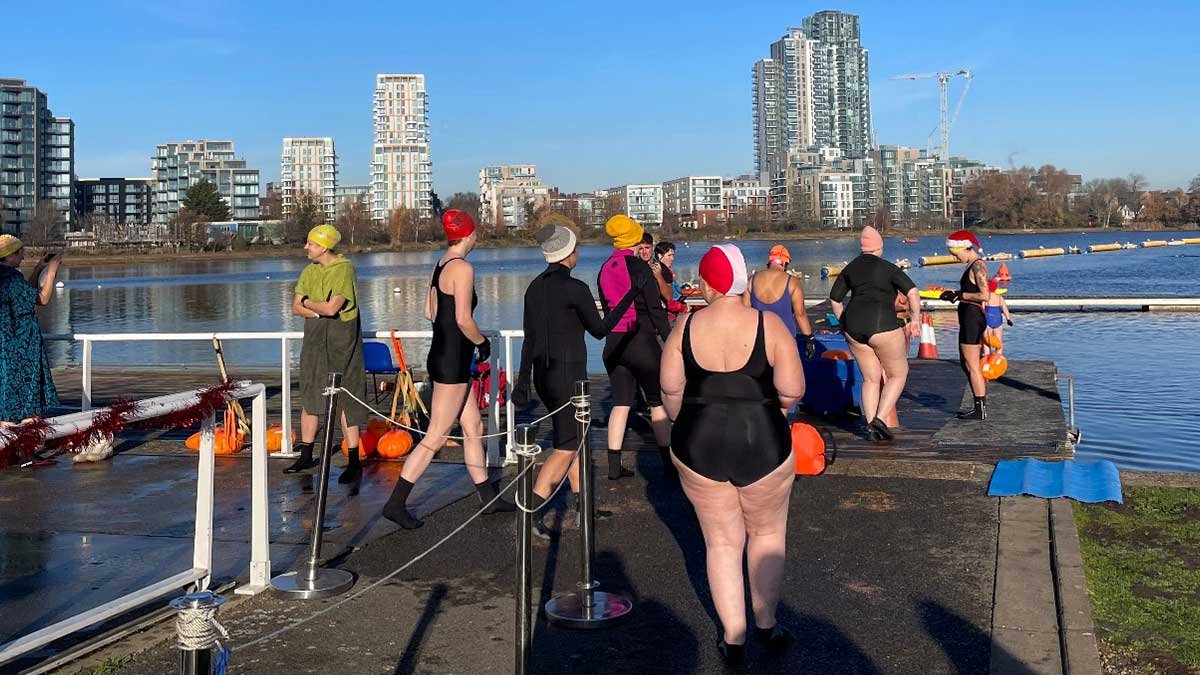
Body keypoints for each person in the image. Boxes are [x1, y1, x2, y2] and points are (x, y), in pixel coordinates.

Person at [660, 243, 805, 666]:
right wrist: (767, 411)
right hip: (761, 437)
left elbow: (670, 391)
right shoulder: (768, 325)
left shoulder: (684, 327)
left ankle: (734, 636)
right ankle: (767, 623)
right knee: (766, 535)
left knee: (721, 542)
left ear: (706, 284)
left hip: (698, 439)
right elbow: (792, 391)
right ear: (743, 282)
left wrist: (683, 418)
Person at [382, 208, 514, 529]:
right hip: (454, 360)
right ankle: (395, 504)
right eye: (476, 232)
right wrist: (482, 343)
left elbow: (429, 311)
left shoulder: (441, 264)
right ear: (470, 235)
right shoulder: (464, 269)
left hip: (443, 353)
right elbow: (463, 319)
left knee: (473, 427)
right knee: (436, 435)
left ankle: (488, 498)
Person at [511, 224, 636, 539]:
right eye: (576, 248)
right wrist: (630, 295)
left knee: (576, 441)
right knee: (566, 448)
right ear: (568, 253)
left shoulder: (534, 288)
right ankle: (530, 511)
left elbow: (529, 339)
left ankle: (584, 509)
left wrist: (522, 382)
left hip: (543, 375)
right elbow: (600, 329)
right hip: (568, 376)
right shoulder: (575, 289)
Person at [284, 225, 370, 489]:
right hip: (314, 338)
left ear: (323, 246)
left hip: (341, 340)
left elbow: (334, 308)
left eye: (310, 243)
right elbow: (295, 308)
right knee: (310, 392)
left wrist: (311, 304)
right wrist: (316, 309)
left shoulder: (344, 269)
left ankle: (354, 461)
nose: (305, 248)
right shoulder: (310, 271)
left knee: (346, 395)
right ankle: (307, 455)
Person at [828, 227, 922, 442]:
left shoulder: (850, 268)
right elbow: (912, 292)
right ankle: (879, 419)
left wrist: (843, 321)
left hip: (853, 325)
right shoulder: (888, 268)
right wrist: (915, 320)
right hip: (882, 323)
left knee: (870, 378)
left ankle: (870, 425)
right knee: (898, 373)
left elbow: (835, 299)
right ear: (879, 247)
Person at [598, 215, 673, 479]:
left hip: (614, 343)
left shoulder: (605, 267)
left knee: (621, 403)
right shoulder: (641, 268)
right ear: (634, 238)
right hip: (642, 341)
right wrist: (670, 340)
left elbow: (609, 307)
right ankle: (668, 464)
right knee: (656, 402)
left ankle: (614, 467)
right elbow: (655, 310)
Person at [0, 234, 61, 424]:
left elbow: (25, 293)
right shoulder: (11, 277)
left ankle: (7, 429)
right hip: (22, 343)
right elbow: (41, 299)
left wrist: (38, 269)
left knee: (6, 386)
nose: (22, 258)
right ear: (9, 255)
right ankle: (25, 435)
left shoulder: (5, 277)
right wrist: (51, 273)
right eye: (20, 253)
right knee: (27, 388)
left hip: (5, 342)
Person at [938, 230, 990, 420]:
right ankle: (979, 403)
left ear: (965, 248)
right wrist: (955, 294)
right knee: (966, 363)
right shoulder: (973, 266)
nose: (954, 258)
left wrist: (959, 295)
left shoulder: (978, 266)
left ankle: (980, 408)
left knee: (971, 364)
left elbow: (985, 295)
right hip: (970, 316)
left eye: (955, 253)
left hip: (972, 317)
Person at [743, 244, 816, 360]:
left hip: (759, 340)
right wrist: (809, 339)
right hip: (785, 339)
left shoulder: (752, 280)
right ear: (785, 263)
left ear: (770, 261)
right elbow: (800, 314)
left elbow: (745, 312)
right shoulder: (792, 282)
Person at [654, 241, 689, 319]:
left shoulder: (653, 267)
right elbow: (669, 300)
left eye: (673, 255)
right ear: (659, 256)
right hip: (668, 314)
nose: (672, 258)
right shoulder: (665, 272)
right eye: (669, 255)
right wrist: (684, 308)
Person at [984, 279, 1013, 355]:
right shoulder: (999, 297)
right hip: (998, 319)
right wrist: (1008, 319)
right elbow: (1005, 308)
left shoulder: (985, 297)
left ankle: (986, 357)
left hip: (988, 319)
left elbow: (982, 309)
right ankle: (998, 357)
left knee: (987, 341)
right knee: (999, 342)